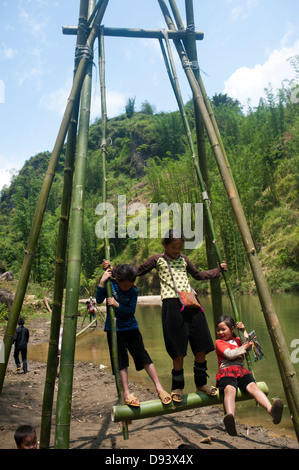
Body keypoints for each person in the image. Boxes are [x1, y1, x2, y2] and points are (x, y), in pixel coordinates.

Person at [103, 229, 227, 403]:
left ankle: (201, 383)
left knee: (201, 345)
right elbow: (135, 271)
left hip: (191, 302)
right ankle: (177, 387)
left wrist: (218, 271)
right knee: (178, 349)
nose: (177, 250)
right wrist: (112, 269)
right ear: (165, 244)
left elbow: (198, 275)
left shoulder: (184, 260)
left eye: (179, 247)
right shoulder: (157, 259)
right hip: (172, 305)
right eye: (173, 247)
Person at [96, 263, 172, 407]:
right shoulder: (110, 285)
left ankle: (159, 388)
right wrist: (102, 281)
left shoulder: (133, 291)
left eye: (130, 285)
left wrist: (117, 304)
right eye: (125, 286)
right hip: (113, 330)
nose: (128, 288)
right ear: (118, 280)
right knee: (121, 361)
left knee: (143, 357)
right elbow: (99, 300)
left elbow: (130, 311)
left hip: (131, 328)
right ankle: (126, 393)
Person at [215, 315, 284, 436]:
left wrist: (243, 330)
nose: (220, 332)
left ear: (232, 329)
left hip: (241, 371)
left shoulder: (238, 340)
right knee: (230, 389)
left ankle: (272, 412)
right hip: (226, 371)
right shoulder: (219, 342)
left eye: (223, 329)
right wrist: (244, 348)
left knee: (253, 387)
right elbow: (230, 354)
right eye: (218, 330)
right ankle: (230, 418)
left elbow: (250, 343)